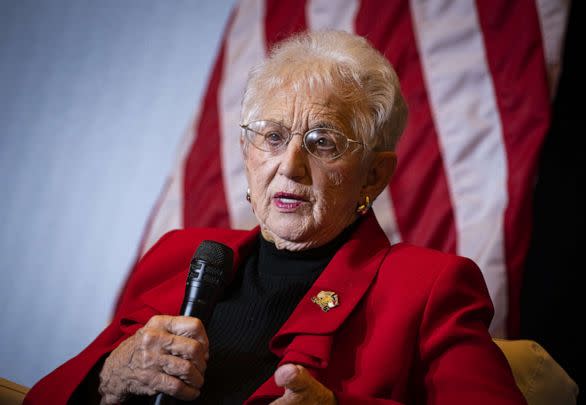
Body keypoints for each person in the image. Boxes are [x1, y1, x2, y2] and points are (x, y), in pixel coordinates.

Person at [24, 30, 526, 405]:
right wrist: (112, 375)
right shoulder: (180, 254)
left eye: (323, 142)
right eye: (272, 136)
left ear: (373, 176)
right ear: (246, 149)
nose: (290, 166)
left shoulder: (427, 287)